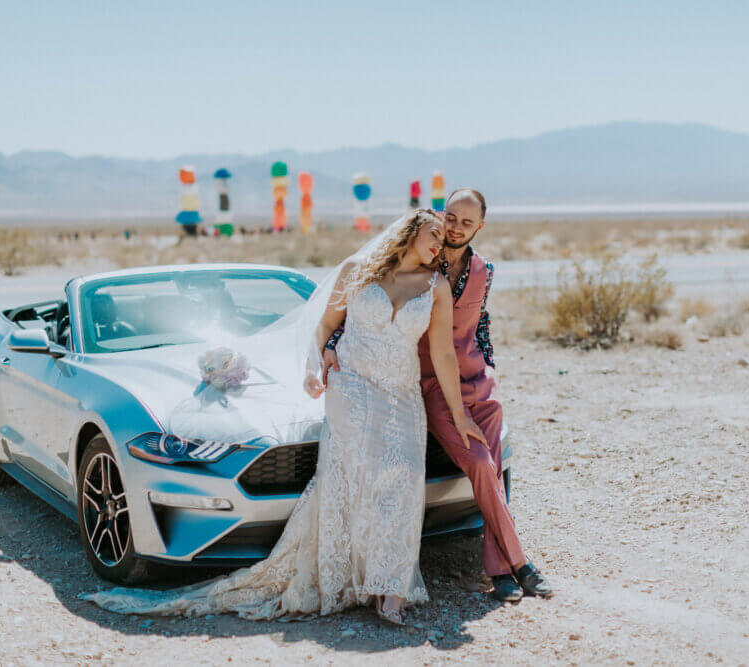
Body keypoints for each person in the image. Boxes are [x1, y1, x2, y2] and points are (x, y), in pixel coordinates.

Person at [84, 208, 484, 625]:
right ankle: (354, 579)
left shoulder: (436, 286)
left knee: (401, 481)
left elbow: (442, 354)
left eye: (445, 236)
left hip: (401, 396)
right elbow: (326, 324)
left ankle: (391, 586)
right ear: (410, 231)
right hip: (352, 389)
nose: (442, 241)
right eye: (434, 232)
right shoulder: (356, 271)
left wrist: (459, 415)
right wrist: (318, 361)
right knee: (352, 482)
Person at [325, 189, 553, 602]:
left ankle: (500, 570)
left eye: (467, 222)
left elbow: (481, 323)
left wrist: (491, 368)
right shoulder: (422, 262)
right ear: (440, 217)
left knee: (494, 467)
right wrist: (332, 342)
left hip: (479, 384)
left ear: (479, 227)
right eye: (451, 218)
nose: (455, 228)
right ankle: (518, 563)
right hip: (432, 384)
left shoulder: (484, 270)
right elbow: (365, 312)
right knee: (482, 464)